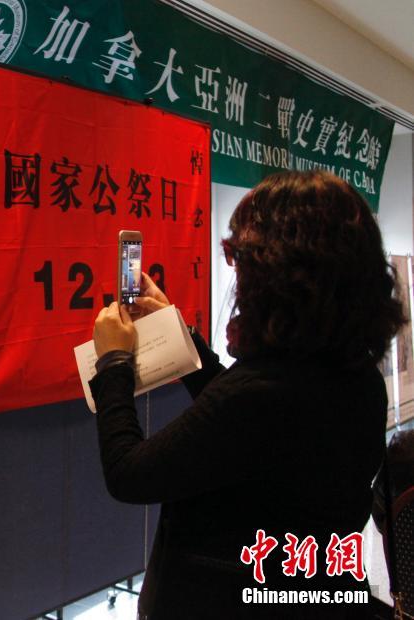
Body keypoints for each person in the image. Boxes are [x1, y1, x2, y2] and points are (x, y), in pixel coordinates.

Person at [89, 170, 404, 618]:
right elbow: (244, 430)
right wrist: (182, 336)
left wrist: (114, 364)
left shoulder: (263, 392)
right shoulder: (355, 377)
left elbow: (130, 473)